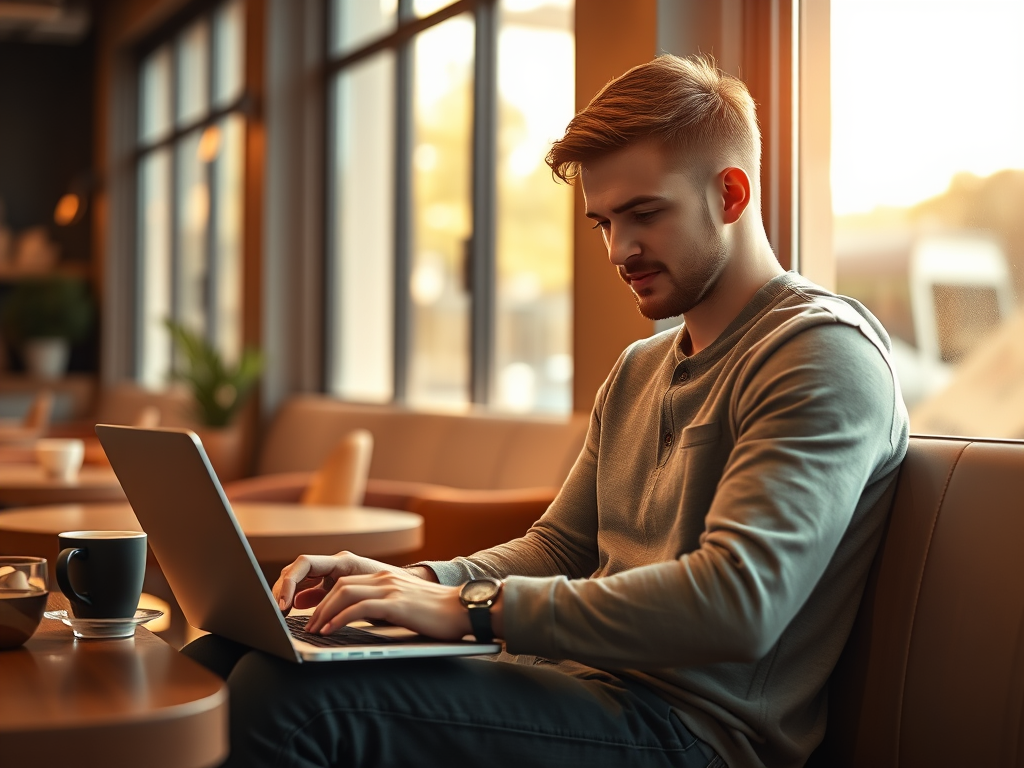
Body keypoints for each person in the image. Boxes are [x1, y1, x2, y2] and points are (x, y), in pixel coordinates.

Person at [184, 54, 908, 768]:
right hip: (582, 689)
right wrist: (417, 584)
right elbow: (559, 548)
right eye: (603, 223)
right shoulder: (640, 367)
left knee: (288, 698)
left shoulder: (818, 353)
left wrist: (472, 609)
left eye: (644, 214)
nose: (619, 250)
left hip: (694, 732)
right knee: (224, 658)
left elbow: (740, 603)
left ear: (732, 193)